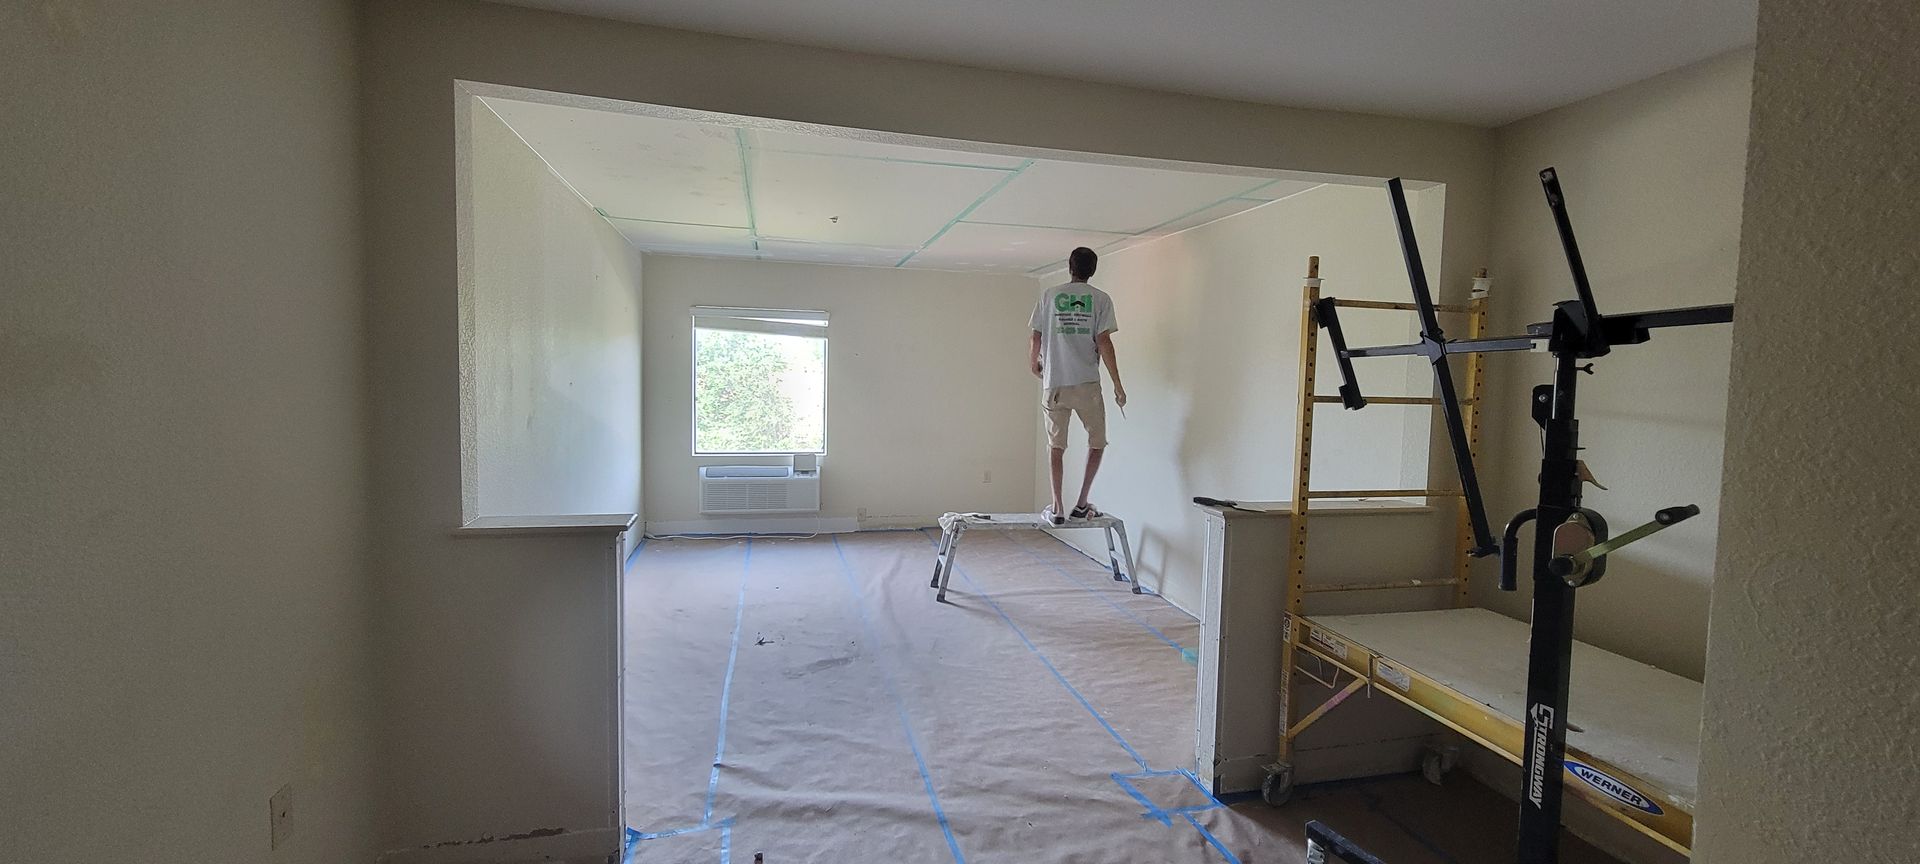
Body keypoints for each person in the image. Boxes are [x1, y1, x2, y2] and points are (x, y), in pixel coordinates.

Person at [1029, 246, 1126, 525]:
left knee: (1055, 445)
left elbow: (1035, 335)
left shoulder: (1050, 295)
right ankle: (1081, 503)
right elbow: (1104, 342)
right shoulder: (1100, 299)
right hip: (1087, 384)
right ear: (1092, 270)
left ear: (1069, 267)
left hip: (1055, 382)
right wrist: (1118, 384)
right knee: (1097, 442)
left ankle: (1058, 507)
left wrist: (1033, 362)